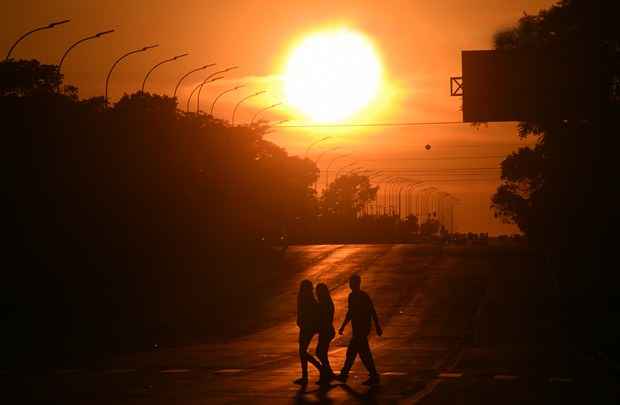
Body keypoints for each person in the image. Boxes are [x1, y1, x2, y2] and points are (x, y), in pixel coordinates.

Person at [336, 274, 382, 386]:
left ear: (357, 284)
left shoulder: (363, 296)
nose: (351, 285)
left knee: (358, 352)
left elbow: (372, 311)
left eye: (352, 283)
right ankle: (346, 373)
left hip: (362, 328)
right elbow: (350, 313)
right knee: (357, 352)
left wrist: (377, 326)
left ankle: (371, 375)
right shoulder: (351, 296)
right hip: (357, 329)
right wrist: (343, 326)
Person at [295, 279, 322, 385]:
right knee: (302, 351)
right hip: (305, 327)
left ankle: (318, 369)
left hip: (307, 328)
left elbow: (307, 313)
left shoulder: (307, 299)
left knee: (302, 351)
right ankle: (306, 374)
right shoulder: (306, 298)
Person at [315, 283, 336, 383]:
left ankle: (327, 373)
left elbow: (324, 318)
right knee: (322, 353)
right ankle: (327, 373)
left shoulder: (324, 303)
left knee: (320, 352)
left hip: (326, 330)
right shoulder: (326, 301)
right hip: (326, 330)